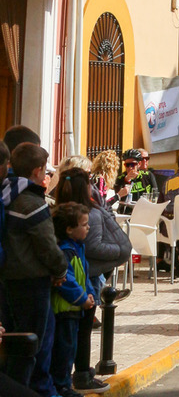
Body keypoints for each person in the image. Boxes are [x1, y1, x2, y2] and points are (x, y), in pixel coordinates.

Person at [1, 142, 69, 396]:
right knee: (33, 344)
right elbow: (47, 247)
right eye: (45, 170)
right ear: (37, 171)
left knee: (13, 342)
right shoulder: (32, 202)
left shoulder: (5, 195)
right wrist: (60, 270)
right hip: (32, 282)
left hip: (7, 279)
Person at [53, 168, 125, 393]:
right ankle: (71, 381)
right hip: (73, 301)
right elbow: (69, 278)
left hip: (80, 295)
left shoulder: (64, 217)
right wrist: (84, 297)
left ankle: (71, 380)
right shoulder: (75, 235)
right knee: (70, 343)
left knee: (71, 341)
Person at [50, 204, 95, 397]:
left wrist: (90, 294)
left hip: (75, 310)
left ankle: (64, 384)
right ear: (69, 229)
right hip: (65, 310)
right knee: (64, 351)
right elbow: (67, 280)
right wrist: (82, 298)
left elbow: (83, 275)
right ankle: (62, 386)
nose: (88, 228)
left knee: (71, 347)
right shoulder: (66, 250)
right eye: (84, 224)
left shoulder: (78, 248)